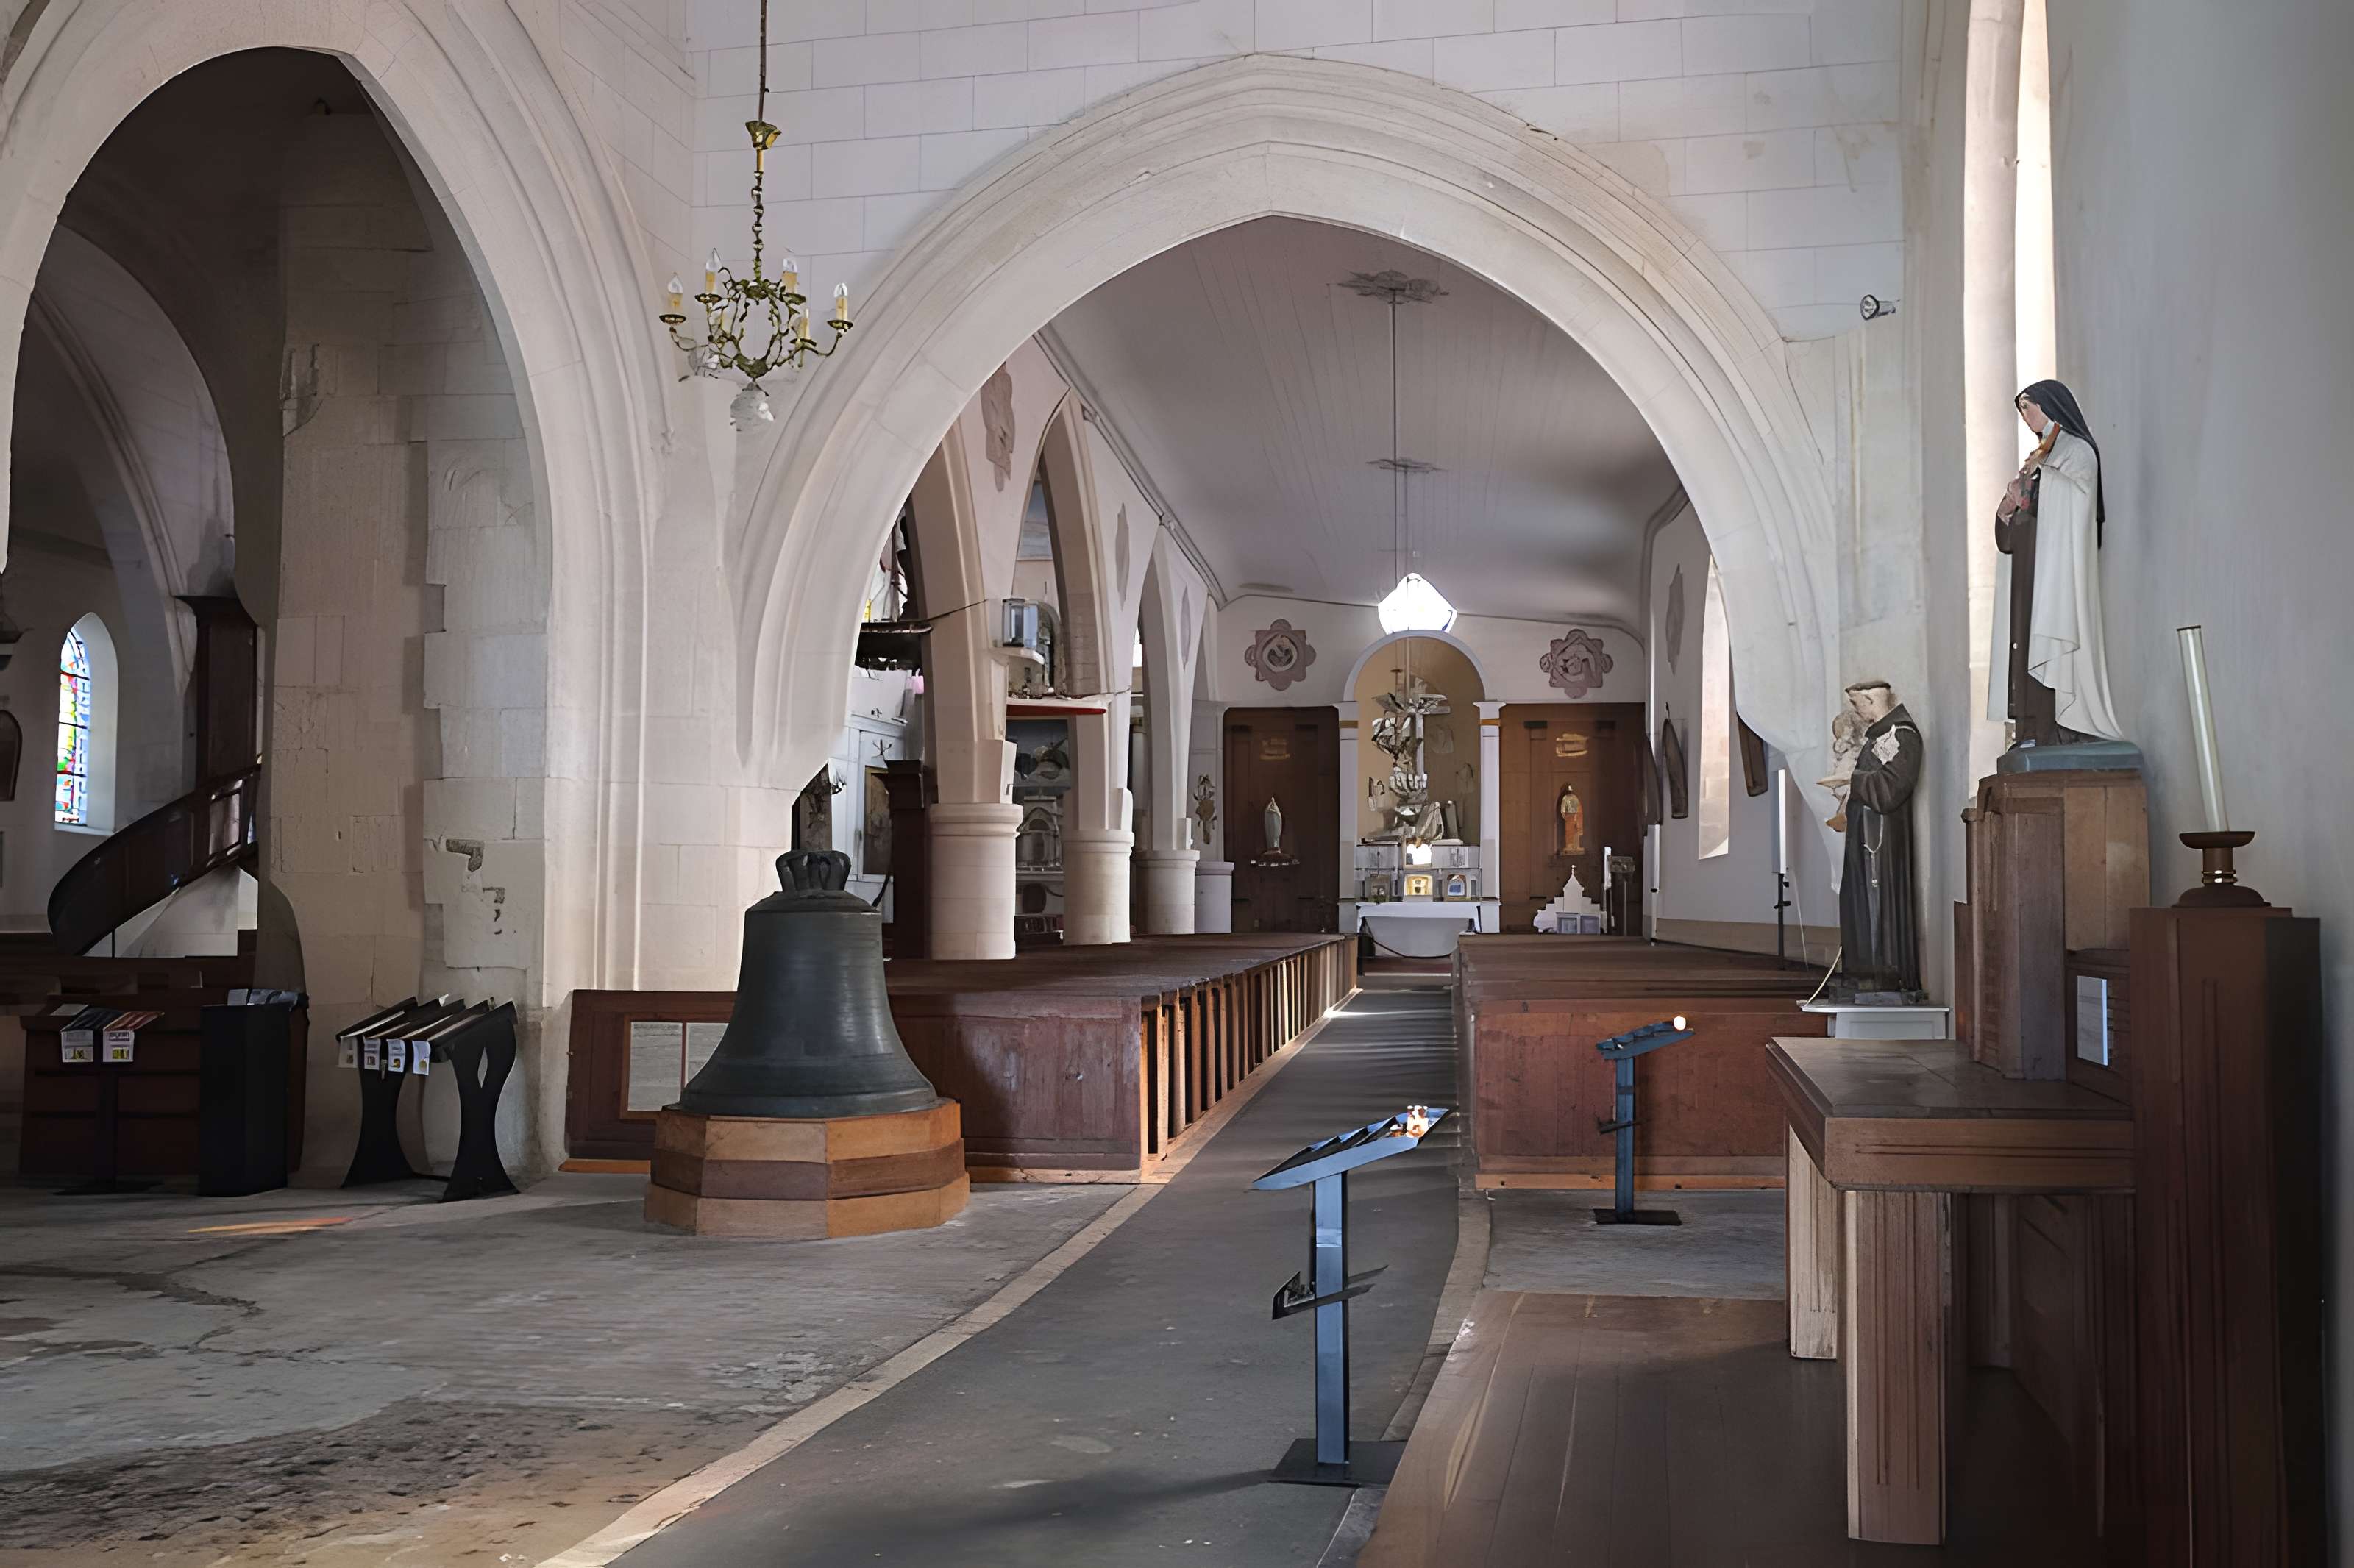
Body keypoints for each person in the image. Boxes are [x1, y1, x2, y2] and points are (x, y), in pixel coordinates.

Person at [1990, 380, 2124, 746]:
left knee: (2052, 640)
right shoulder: (2042, 456)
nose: (2025, 416)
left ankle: (2062, 727)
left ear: (2049, 405)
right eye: (2021, 410)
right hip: (2032, 567)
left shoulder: (2077, 451)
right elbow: (2018, 517)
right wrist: (2009, 505)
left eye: (2028, 407)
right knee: (2026, 643)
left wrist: (2036, 486)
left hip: (2058, 571)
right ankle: (2033, 729)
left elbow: (2079, 501)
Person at [1837, 680, 1922, 998]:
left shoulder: (1903, 736)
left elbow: (1891, 789)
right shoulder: (1878, 738)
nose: (1856, 712)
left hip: (1882, 840)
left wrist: (1853, 780)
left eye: (1857, 704)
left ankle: (1883, 974)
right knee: (1859, 900)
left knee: (1877, 901)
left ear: (1872, 700)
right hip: (1865, 833)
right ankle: (1864, 971)